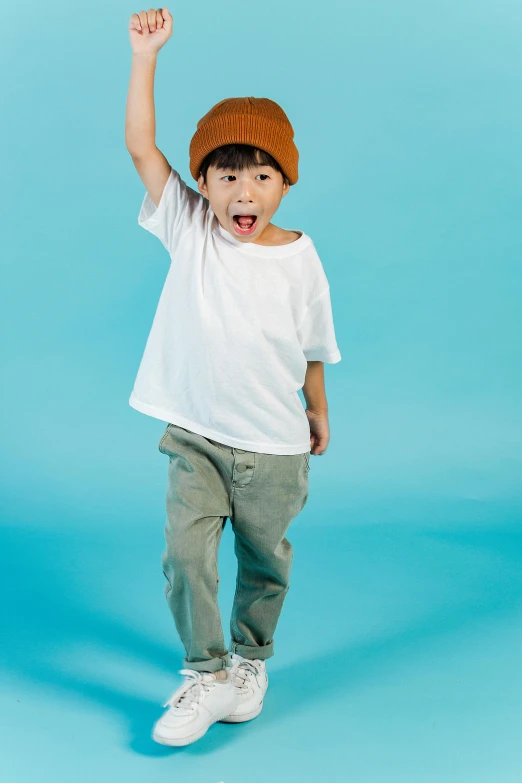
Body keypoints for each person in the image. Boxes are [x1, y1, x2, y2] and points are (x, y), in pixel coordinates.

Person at [125, 6, 342, 747]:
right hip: (196, 433)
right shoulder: (188, 227)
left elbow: (312, 341)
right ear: (203, 184)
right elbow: (139, 147)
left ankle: (249, 660)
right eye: (226, 175)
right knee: (186, 553)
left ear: (284, 182)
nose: (242, 191)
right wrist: (145, 58)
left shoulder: (301, 256)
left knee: (263, 562)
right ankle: (206, 672)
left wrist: (317, 408)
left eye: (260, 175)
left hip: (275, 445)